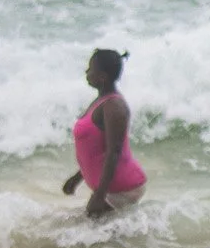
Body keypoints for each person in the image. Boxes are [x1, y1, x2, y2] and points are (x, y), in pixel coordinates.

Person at [63, 49, 147, 216]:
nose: (87, 72)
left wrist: (99, 195)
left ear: (102, 77)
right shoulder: (101, 101)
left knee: (89, 237)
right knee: (97, 235)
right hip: (111, 188)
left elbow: (113, 152)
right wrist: (78, 177)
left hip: (122, 188)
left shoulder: (114, 107)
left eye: (90, 69)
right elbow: (97, 151)